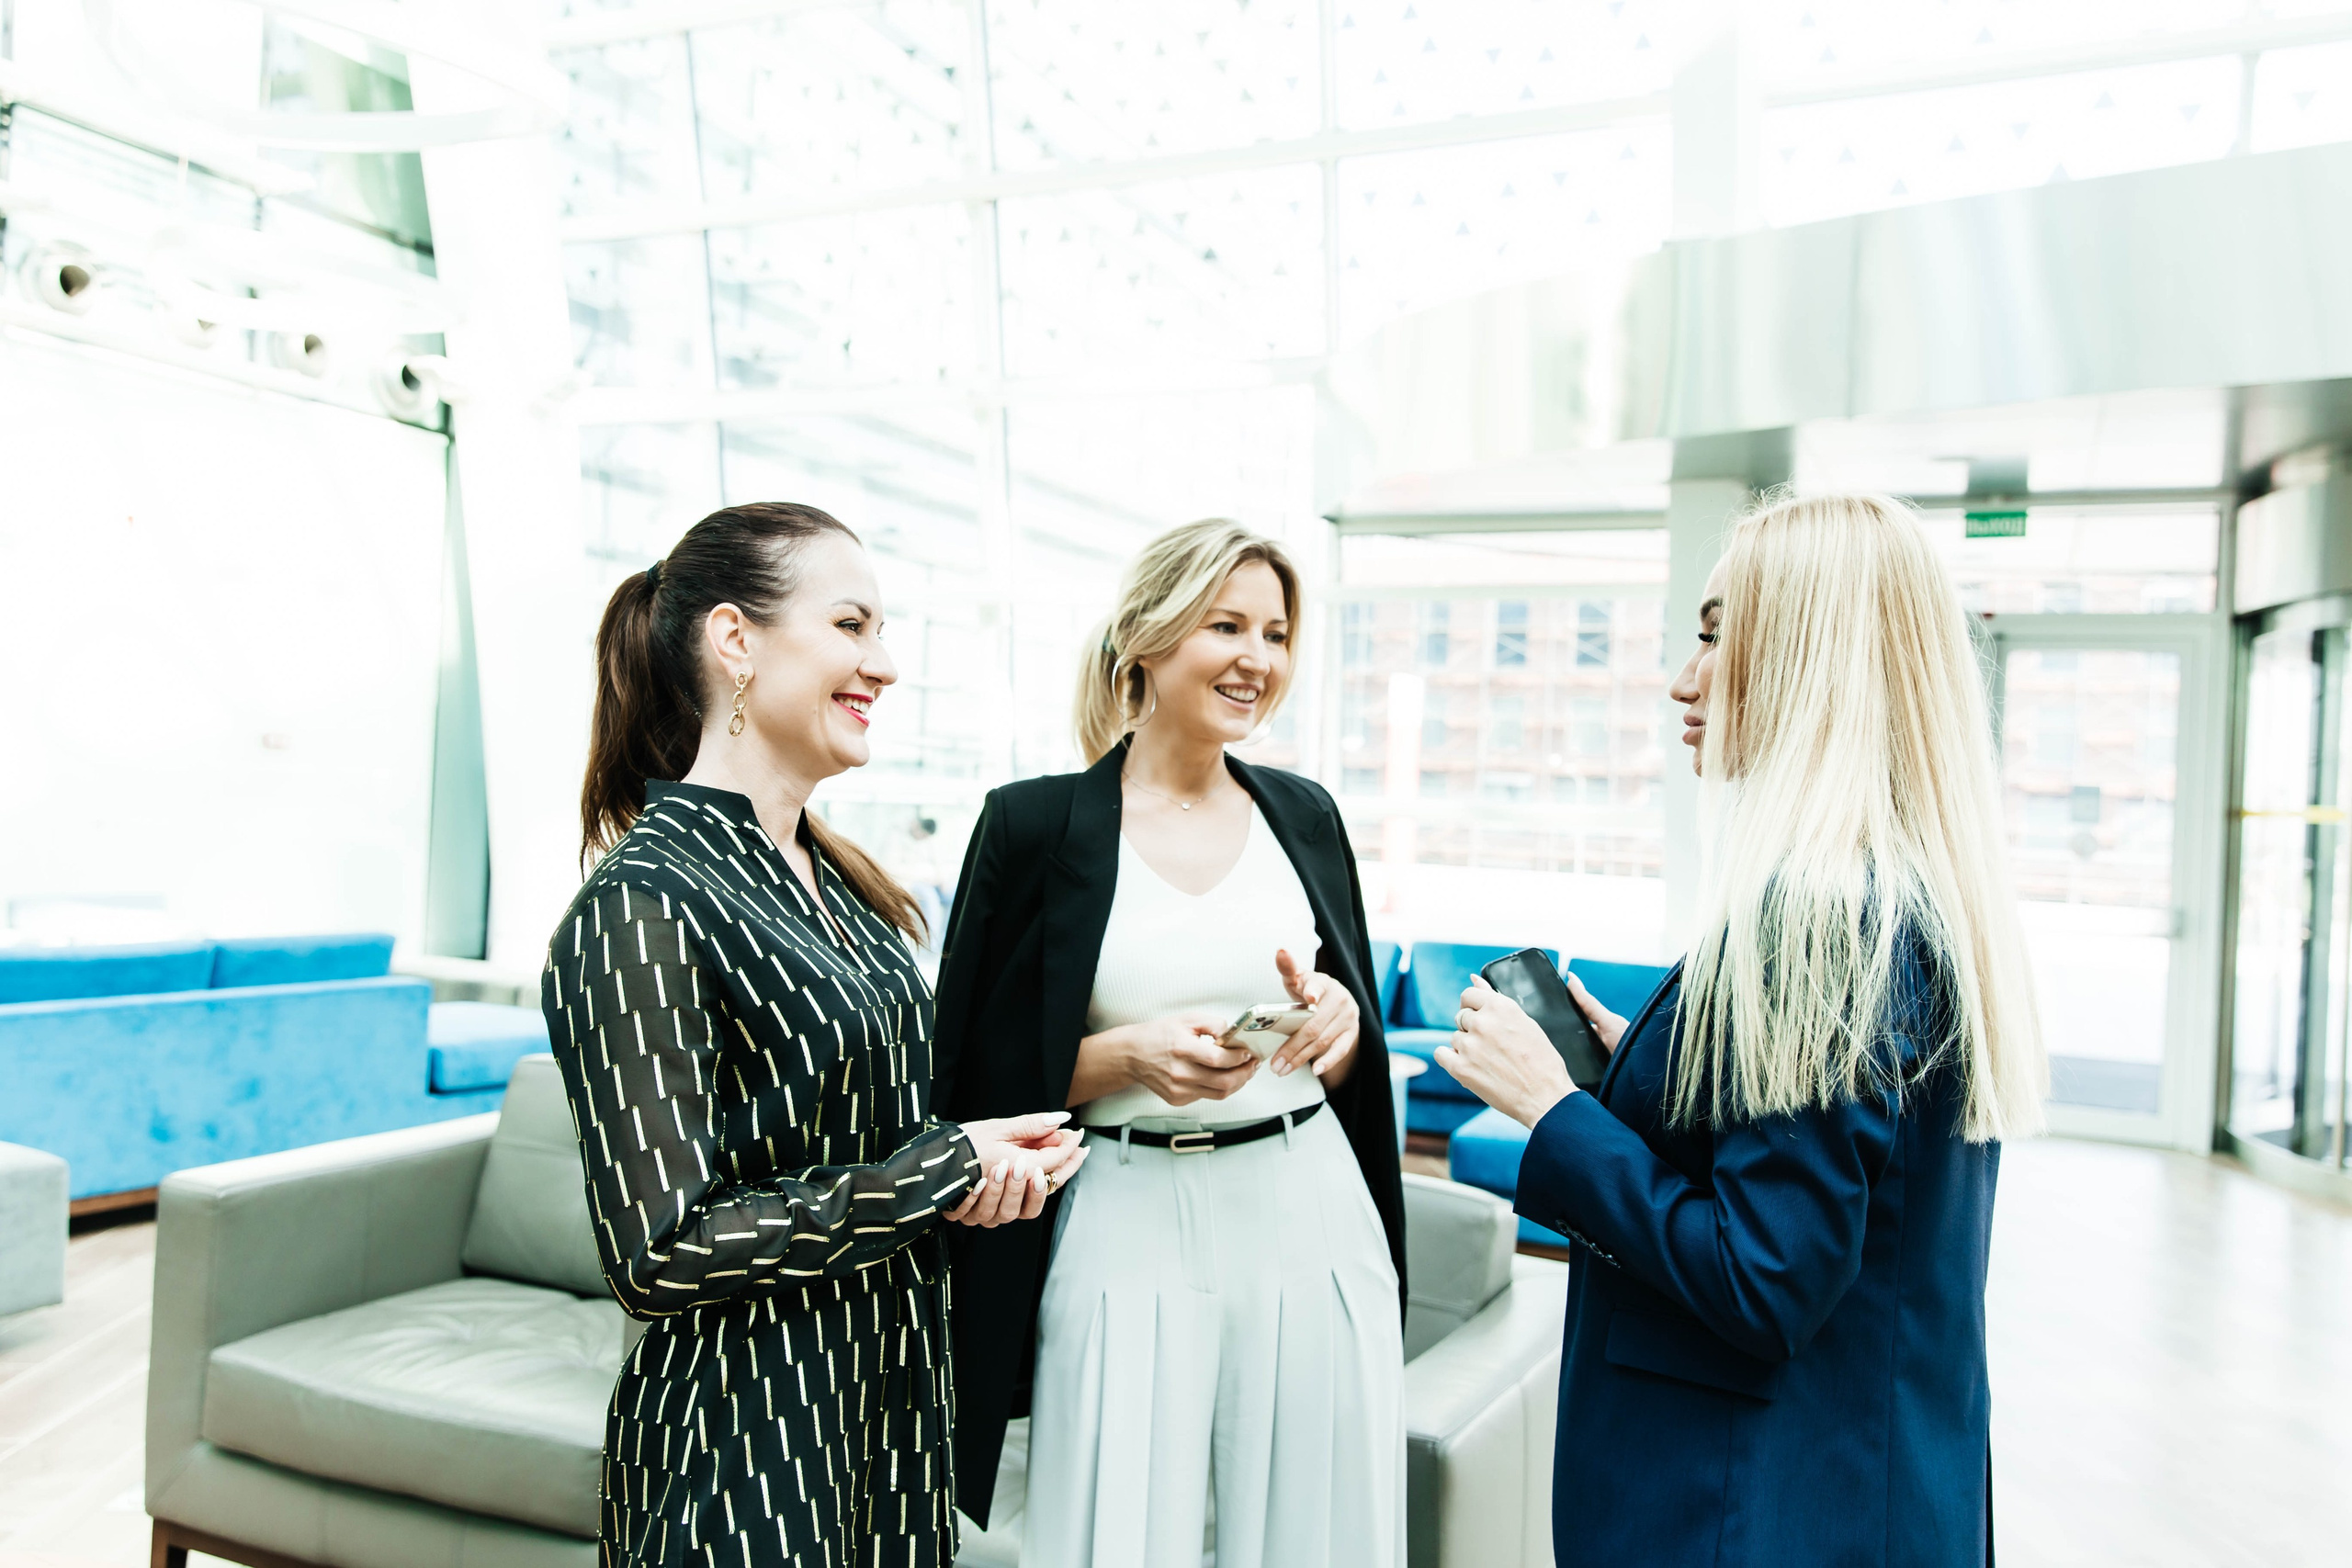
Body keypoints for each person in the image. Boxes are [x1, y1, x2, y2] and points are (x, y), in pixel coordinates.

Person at [1440, 493, 2046, 1568]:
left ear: (1813, 658)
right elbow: (1828, 1166)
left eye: (1716, 633)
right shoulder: (1898, 898)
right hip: (1863, 1486)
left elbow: (1761, 1280)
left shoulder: (1812, 918)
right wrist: (1649, 1059)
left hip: (1749, 1511)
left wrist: (1554, 1107)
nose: (1684, 675)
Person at [541, 502, 1088, 1568]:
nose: (882, 664)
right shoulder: (643, 901)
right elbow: (659, 1252)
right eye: (851, 626)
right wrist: (935, 1171)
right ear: (735, 640)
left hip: (884, 1424)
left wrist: (972, 1175)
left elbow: (845, 1144)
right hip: (745, 1452)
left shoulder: (837, 882)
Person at [931, 519, 1407, 1567]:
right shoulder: (1031, 826)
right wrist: (1121, 1061)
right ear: (1145, 638)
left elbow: (1351, 1036)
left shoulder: (1306, 815)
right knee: (1113, 1528)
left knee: (1319, 1528)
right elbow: (958, 1070)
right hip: (1124, 1209)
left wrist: (1338, 1025)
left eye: (1277, 634)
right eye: (1225, 624)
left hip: (1308, 1205)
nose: (1258, 658)